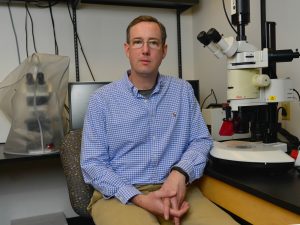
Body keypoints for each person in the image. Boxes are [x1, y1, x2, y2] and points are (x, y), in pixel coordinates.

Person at [80, 15, 239, 225]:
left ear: (164, 50)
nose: (145, 50)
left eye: (153, 43)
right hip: (120, 196)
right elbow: (93, 164)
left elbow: (201, 140)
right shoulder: (101, 100)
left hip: (177, 189)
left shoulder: (182, 92)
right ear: (127, 49)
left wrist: (180, 173)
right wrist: (139, 198)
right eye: (138, 42)